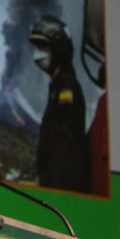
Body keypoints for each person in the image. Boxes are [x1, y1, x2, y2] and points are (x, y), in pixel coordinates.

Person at [30, 15, 92, 193]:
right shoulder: (58, 86)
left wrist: (58, 191)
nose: (38, 54)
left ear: (59, 49)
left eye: (44, 47)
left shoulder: (66, 87)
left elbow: (66, 146)